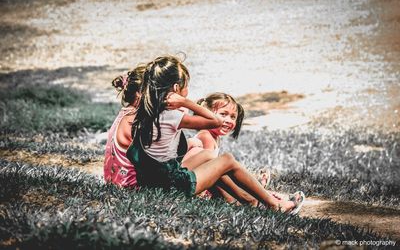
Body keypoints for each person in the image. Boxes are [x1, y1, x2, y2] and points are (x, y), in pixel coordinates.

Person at [127, 55, 304, 213]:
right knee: (226, 159)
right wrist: (187, 103)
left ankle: (249, 199)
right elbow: (216, 122)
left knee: (207, 156)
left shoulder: (146, 111)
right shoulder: (171, 115)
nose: (187, 90)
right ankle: (274, 204)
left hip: (151, 181)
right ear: (176, 88)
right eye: (186, 87)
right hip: (170, 185)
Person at [103, 64, 145, 187]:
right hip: (131, 186)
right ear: (139, 94)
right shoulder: (134, 119)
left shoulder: (125, 112)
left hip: (114, 181)